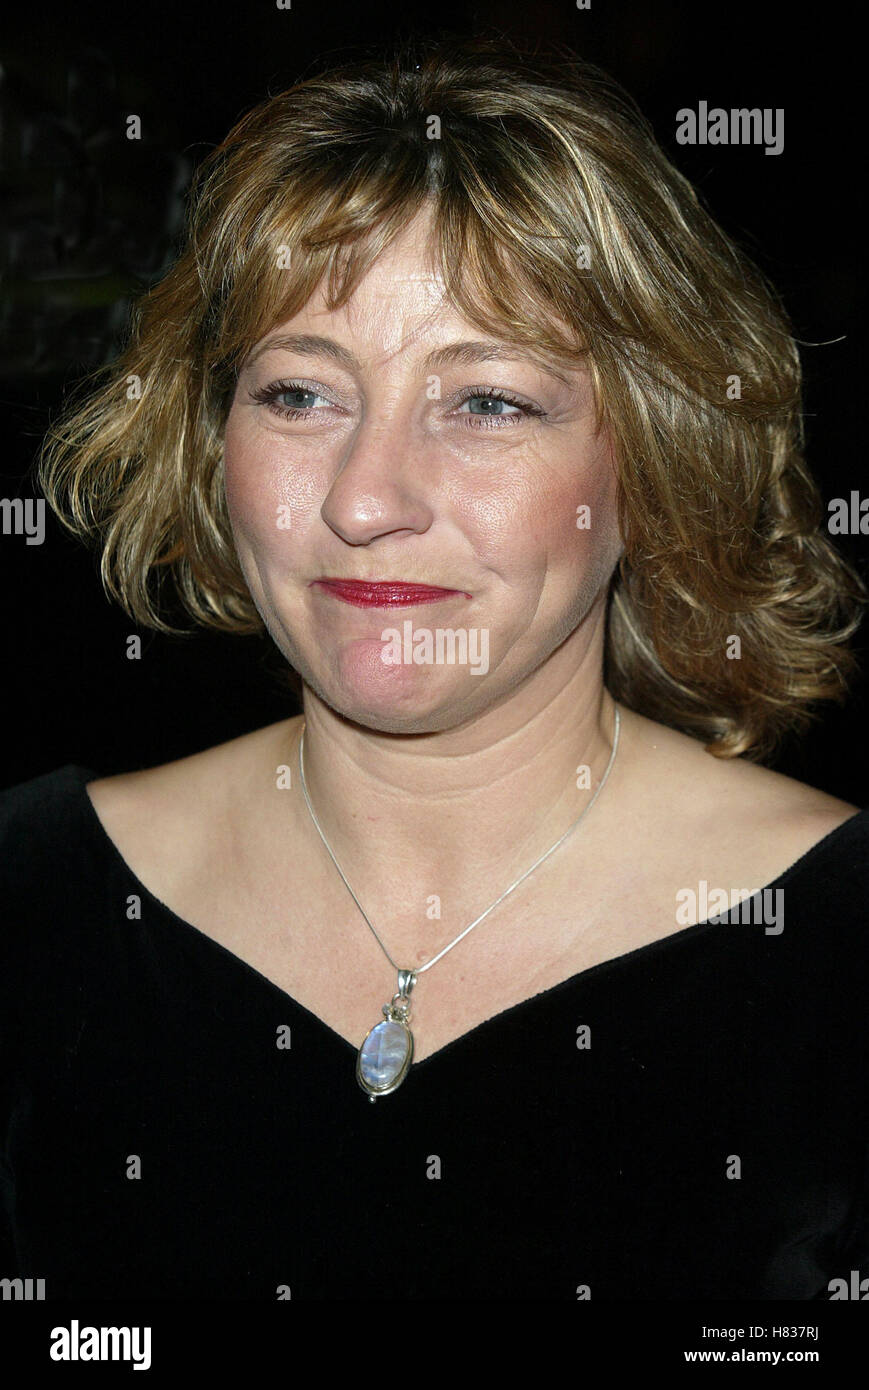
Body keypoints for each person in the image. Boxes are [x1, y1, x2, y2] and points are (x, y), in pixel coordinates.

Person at [2, 37, 866, 1301]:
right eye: (299, 395)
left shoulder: (834, 954)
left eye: (487, 403)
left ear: (654, 460)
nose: (364, 499)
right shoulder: (30, 898)